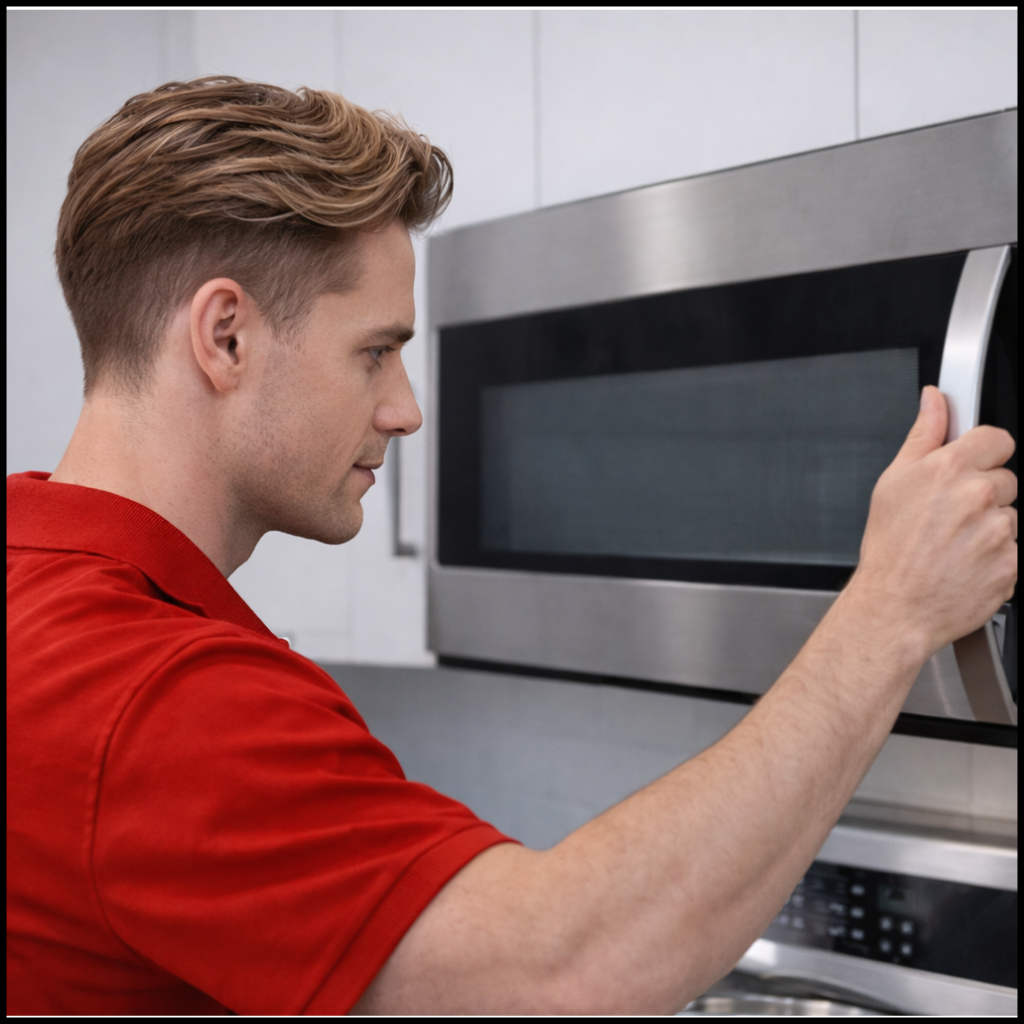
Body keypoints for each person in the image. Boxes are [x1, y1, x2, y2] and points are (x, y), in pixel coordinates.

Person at [6, 77, 1017, 1016]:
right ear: (225, 336)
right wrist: (892, 609)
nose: (406, 409)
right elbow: (558, 973)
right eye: (375, 351)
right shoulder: (154, 697)